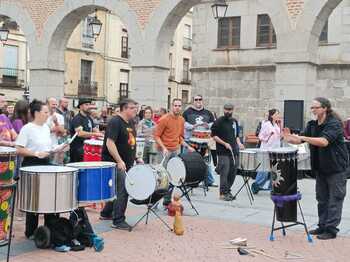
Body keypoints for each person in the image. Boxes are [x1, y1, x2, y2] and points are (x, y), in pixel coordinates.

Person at [283, 97, 348, 240]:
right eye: (311, 108)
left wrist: (304, 138)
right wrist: (288, 138)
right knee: (322, 199)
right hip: (320, 167)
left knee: (335, 199)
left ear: (324, 108)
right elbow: (299, 140)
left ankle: (331, 230)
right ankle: (322, 226)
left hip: (336, 168)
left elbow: (324, 142)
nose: (312, 110)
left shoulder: (334, 123)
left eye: (315, 107)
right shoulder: (312, 125)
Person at [15, 99, 67, 238]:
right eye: (45, 112)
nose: (48, 114)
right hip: (31, 165)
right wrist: (35, 153)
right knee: (34, 199)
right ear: (36, 113)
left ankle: (50, 229)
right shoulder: (27, 128)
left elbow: (47, 148)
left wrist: (57, 149)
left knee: (49, 197)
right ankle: (31, 231)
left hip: (45, 163)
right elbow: (19, 149)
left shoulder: (45, 128)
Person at [99, 99, 142, 230]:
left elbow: (130, 142)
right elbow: (110, 143)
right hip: (114, 162)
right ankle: (118, 220)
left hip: (124, 162)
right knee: (123, 189)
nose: (136, 110)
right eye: (132, 108)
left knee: (117, 189)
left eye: (136, 107)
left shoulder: (130, 122)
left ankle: (106, 213)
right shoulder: (115, 122)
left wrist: (135, 157)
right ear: (124, 108)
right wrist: (119, 160)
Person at [154, 99, 195, 206]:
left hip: (175, 150)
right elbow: (156, 136)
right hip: (163, 151)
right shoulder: (164, 119)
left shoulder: (181, 120)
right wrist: (163, 148)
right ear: (172, 106)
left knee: (172, 176)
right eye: (175, 105)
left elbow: (179, 137)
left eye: (179, 105)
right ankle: (153, 201)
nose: (177, 107)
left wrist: (187, 146)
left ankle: (167, 200)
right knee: (161, 177)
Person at [211, 103, 245, 201]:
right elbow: (214, 136)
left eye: (230, 110)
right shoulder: (219, 121)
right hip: (222, 151)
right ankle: (222, 193)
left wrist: (239, 143)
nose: (228, 111)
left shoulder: (234, 121)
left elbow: (236, 136)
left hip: (234, 150)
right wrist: (224, 143)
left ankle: (227, 190)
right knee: (224, 171)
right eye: (226, 109)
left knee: (233, 172)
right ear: (223, 109)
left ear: (233, 110)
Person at [183, 94, 217, 187]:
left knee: (205, 161)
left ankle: (209, 180)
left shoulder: (208, 113)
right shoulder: (187, 112)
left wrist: (208, 125)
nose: (198, 101)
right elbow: (183, 123)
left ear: (202, 100)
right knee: (189, 161)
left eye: (200, 99)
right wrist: (192, 126)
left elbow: (213, 124)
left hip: (204, 142)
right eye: (196, 99)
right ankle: (188, 180)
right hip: (190, 141)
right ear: (193, 101)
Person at [251, 109, 282, 194]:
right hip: (266, 149)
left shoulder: (276, 125)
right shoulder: (266, 124)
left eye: (278, 114)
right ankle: (257, 185)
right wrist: (268, 137)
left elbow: (279, 136)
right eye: (276, 114)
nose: (278, 116)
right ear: (272, 115)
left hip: (275, 150)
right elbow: (260, 136)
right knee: (264, 170)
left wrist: (281, 127)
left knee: (275, 169)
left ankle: (273, 187)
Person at [46, 98, 66, 164]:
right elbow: (41, 131)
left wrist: (56, 122)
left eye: (55, 104)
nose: (54, 106)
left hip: (55, 145)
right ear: (47, 105)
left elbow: (62, 132)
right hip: (44, 147)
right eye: (53, 104)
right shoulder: (43, 115)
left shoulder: (60, 116)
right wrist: (53, 129)